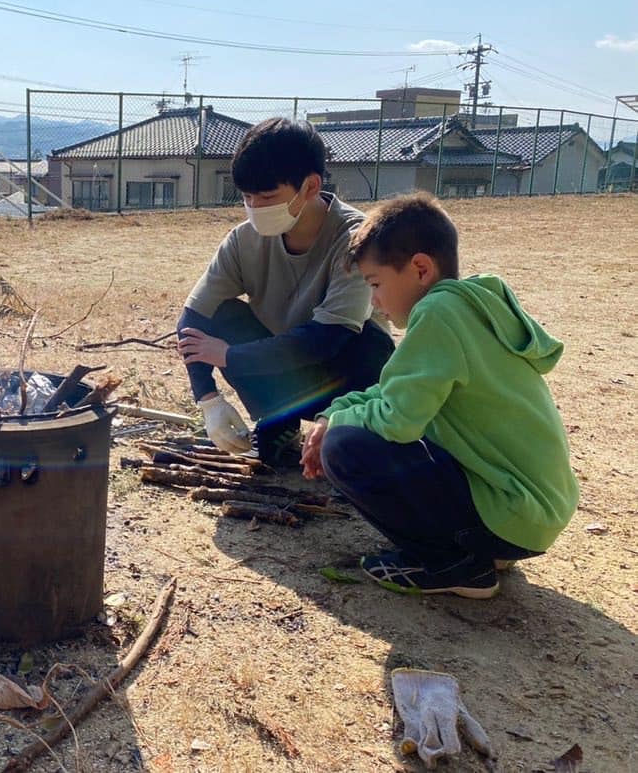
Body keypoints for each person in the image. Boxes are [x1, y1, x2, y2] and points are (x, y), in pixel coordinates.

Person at [301, 193, 579, 598]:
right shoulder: (470, 308)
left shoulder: (439, 314)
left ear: (420, 268)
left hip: (514, 512)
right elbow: (393, 392)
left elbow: (397, 419)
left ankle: (455, 564)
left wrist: (334, 427)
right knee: (352, 428)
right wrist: (335, 412)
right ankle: (480, 547)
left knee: (345, 448)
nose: (374, 300)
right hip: (532, 512)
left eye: (375, 284)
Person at [177, 117, 394, 464]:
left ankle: (351, 430)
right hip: (283, 367)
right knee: (219, 314)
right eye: (247, 197)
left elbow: (327, 338)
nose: (255, 208)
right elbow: (193, 318)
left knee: (369, 341)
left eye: (267, 196)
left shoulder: (356, 237)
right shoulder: (242, 240)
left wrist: (230, 356)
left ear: (310, 186)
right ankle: (280, 421)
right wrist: (208, 400)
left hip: (346, 375)